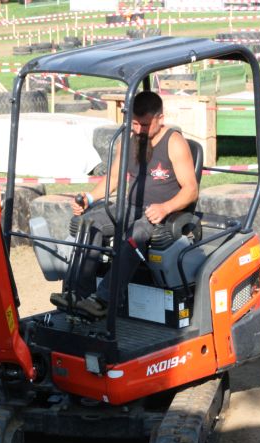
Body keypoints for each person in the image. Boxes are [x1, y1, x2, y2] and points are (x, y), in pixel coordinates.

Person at [50, 91, 199, 318]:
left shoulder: (174, 143)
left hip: (164, 214)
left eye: (145, 124)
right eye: (135, 124)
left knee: (135, 234)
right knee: (88, 222)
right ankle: (78, 295)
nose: (139, 130)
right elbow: (115, 176)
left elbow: (191, 189)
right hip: (131, 207)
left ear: (160, 118)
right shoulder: (129, 140)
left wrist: (165, 208)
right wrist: (88, 199)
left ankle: (104, 300)